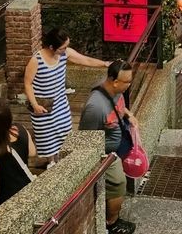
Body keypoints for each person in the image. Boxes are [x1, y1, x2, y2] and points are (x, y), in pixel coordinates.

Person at [24, 27, 110, 167]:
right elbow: (28, 84)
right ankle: (51, 160)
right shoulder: (36, 60)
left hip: (60, 102)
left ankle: (60, 156)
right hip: (43, 104)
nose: (65, 50)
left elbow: (85, 60)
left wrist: (104, 63)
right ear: (52, 47)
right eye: (62, 48)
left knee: (64, 129)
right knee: (46, 134)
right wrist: (35, 105)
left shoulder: (65, 53)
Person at [79, 60, 137, 234]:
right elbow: (85, 139)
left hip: (118, 147)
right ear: (114, 81)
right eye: (127, 82)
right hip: (106, 154)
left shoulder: (117, 92)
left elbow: (120, 107)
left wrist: (129, 114)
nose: (129, 85)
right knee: (119, 182)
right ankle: (111, 223)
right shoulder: (95, 107)